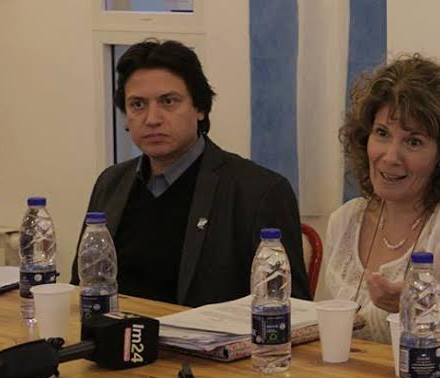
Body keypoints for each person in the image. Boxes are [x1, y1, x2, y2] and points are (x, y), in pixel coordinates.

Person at [70, 39, 311, 306]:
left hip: (208, 334)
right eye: (137, 105)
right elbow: (83, 285)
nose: (152, 118)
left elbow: (291, 308)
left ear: (200, 108)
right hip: (115, 330)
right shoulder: (111, 183)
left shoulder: (259, 192)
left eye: (168, 101)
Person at [317, 54, 440, 352]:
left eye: (413, 142)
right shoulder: (345, 220)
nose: (390, 157)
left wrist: (422, 308)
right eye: (382, 133)